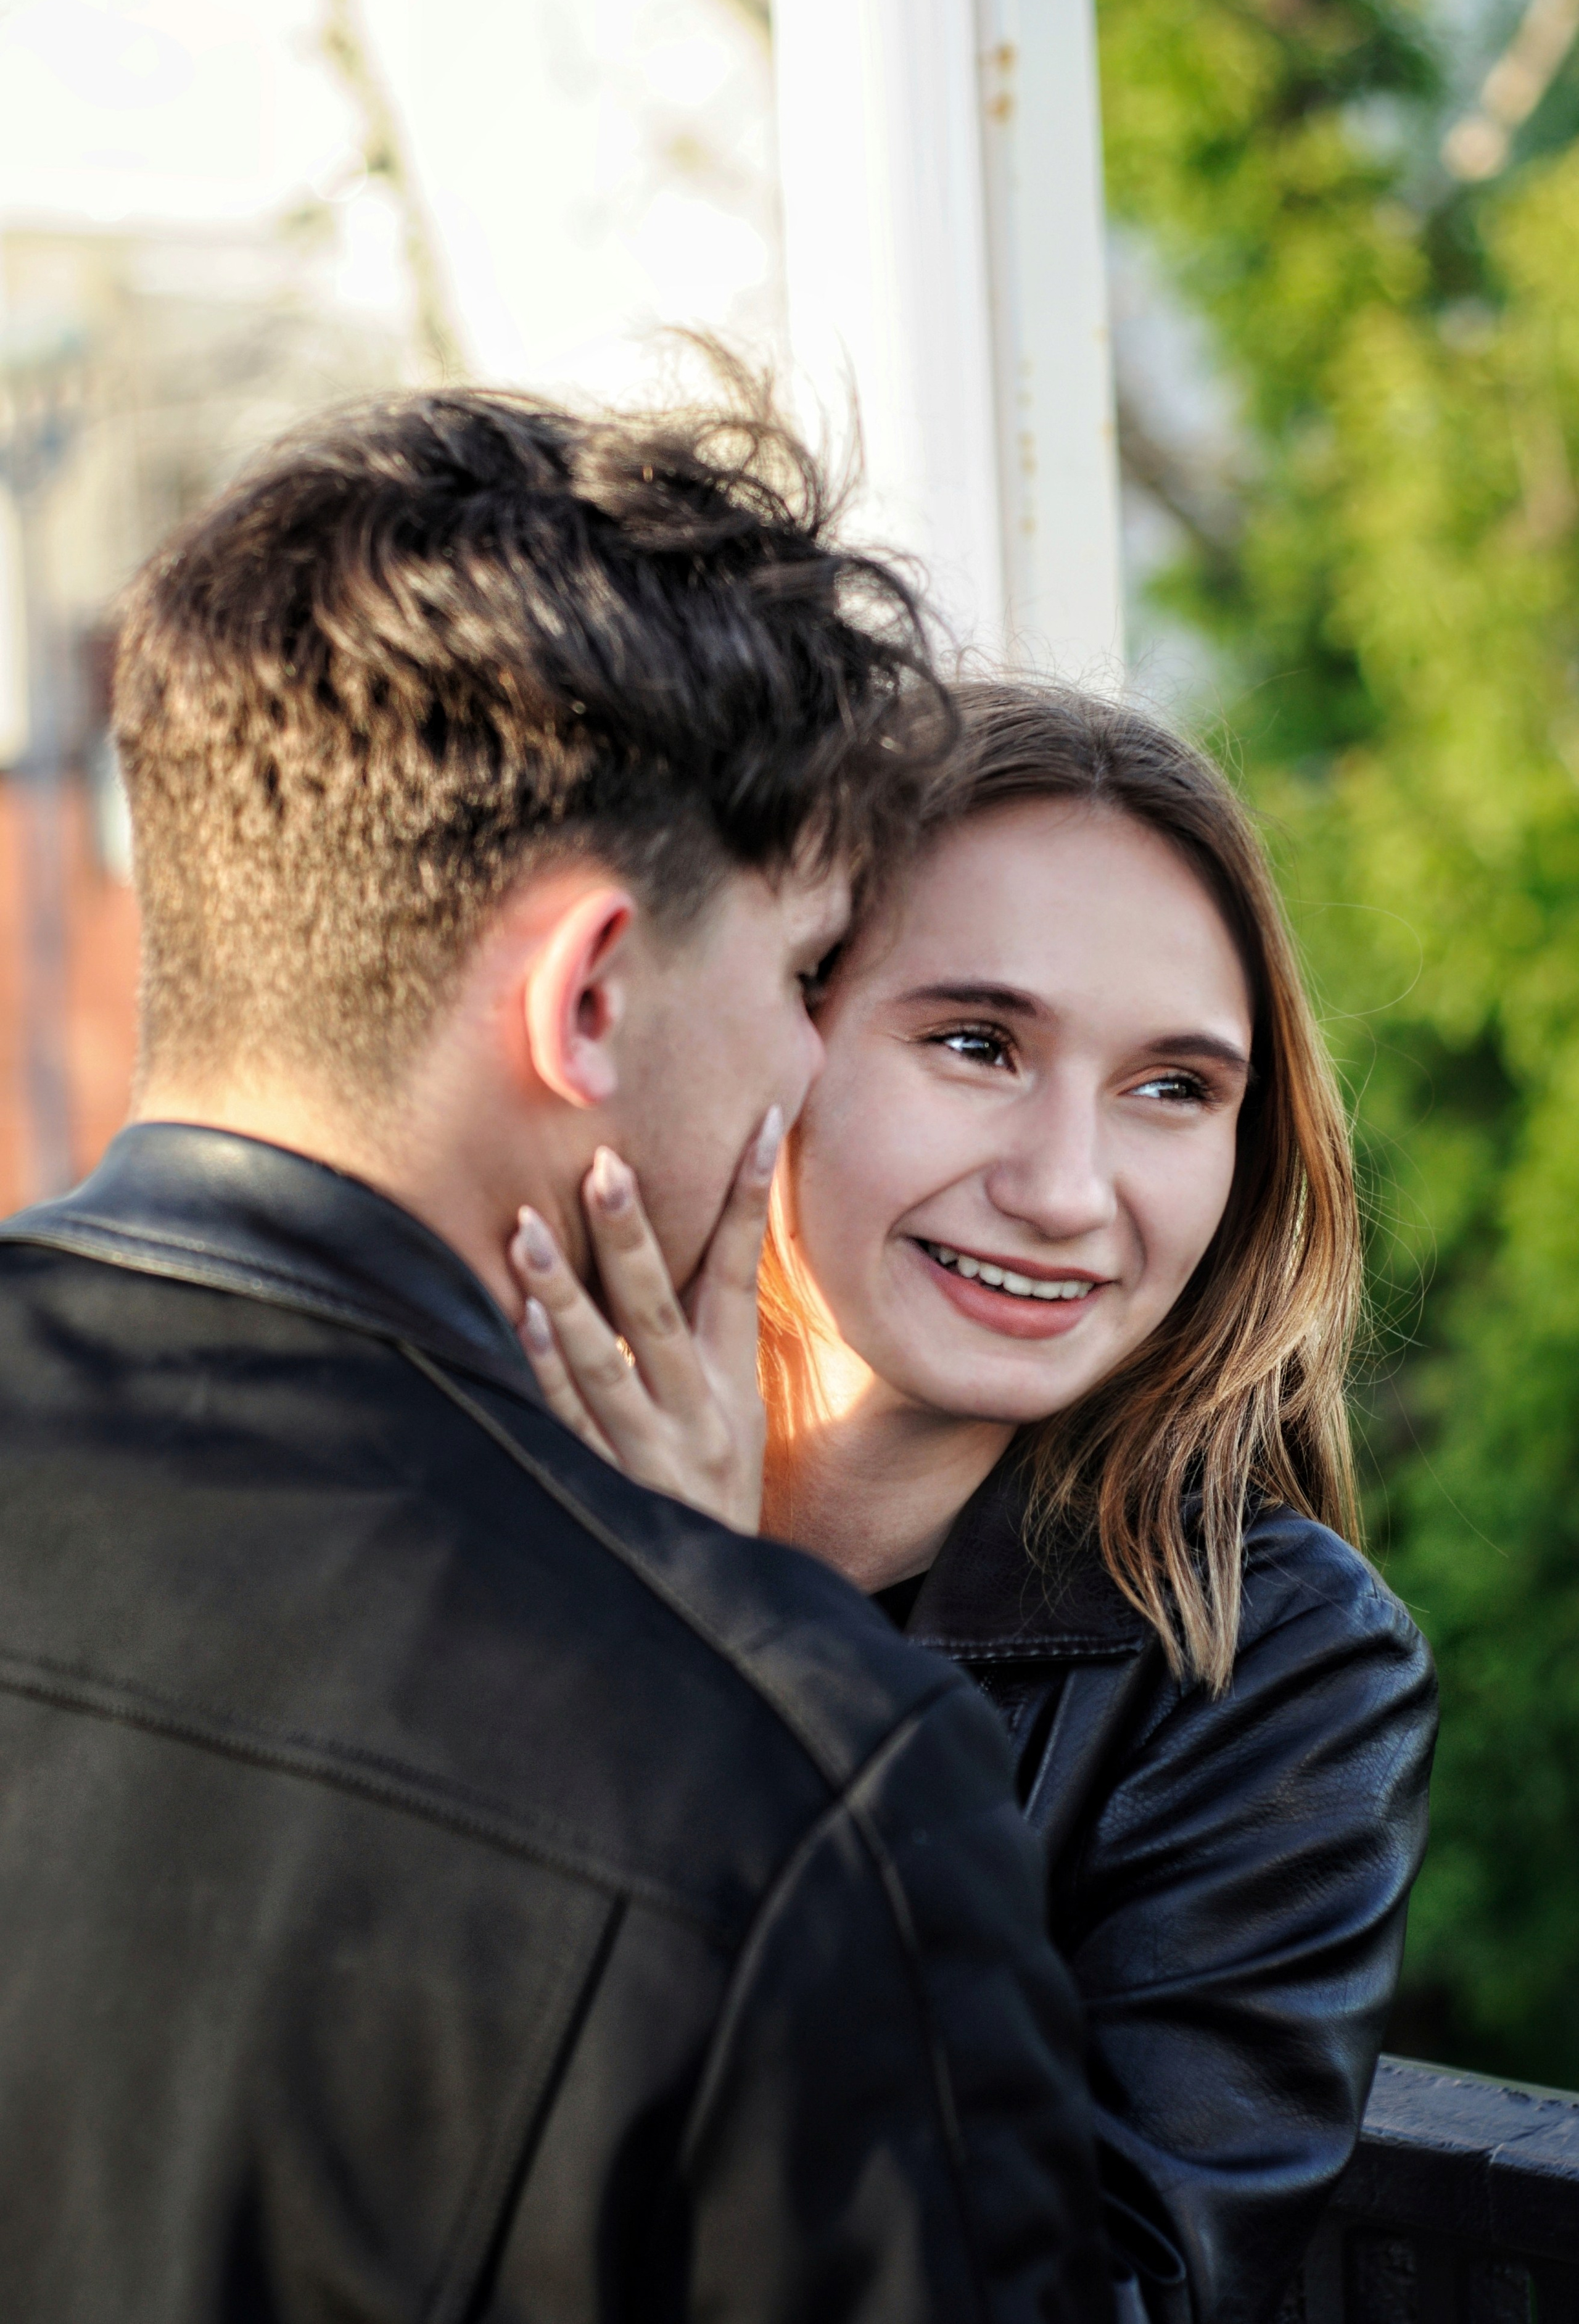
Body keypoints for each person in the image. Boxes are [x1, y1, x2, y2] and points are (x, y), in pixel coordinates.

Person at [0, 402, 1113, 2322]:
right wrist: (710, 1637)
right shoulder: (795, 1789)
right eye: (802, 977)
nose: (801, 1075)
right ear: (588, 995)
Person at [509, 680, 1440, 2324]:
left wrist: (728, 1673)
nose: (1069, 1189)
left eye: (1175, 1088)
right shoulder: (466, 1504)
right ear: (769, 1036)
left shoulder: (1276, 1674)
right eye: (975, 1044)